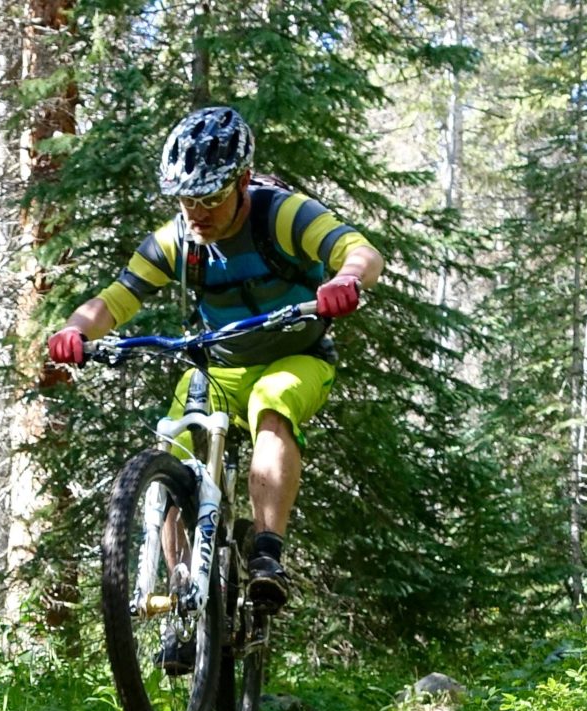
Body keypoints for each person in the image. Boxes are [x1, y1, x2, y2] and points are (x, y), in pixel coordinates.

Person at [44, 106, 382, 622]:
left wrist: (346, 279)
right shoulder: (177, 239)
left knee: (273, 403)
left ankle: (268, 553)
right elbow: (115, 299)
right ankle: (185, 589)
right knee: (174, 443)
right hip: (219, 368)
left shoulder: (284, 215)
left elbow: (358, 250)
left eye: (209, 198)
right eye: (185, 199)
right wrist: (75, 330)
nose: (196, 212)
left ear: (243, 181)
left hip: (297, 356)